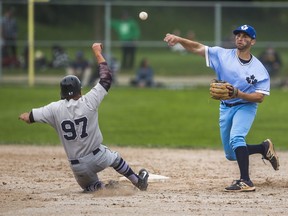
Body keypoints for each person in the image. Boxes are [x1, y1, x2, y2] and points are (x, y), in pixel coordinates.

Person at [18, 43, 149, 192]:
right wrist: (98, 53)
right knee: (115, 158)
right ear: (79, 90)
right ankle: (138, 181)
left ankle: (100, 187)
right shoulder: (88, 101)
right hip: (98, 157)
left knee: (90, 187)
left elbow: (30, 117)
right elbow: (106, 79)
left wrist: (24, 116)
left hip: (77, 166)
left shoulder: (54, 108)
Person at [164, 24, 280, 192]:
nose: (240, 38)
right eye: (238, 35)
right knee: (231, 154)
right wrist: (179, 39)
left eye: (245, 36)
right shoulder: (222, 55)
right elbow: (197, 48)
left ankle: (245, 181)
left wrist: (238, 93)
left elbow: (259, 97)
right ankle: (263, 148)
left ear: (252, 41)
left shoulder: (259, 69)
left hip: (246, 106)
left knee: (237, 138)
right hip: (225, 107)